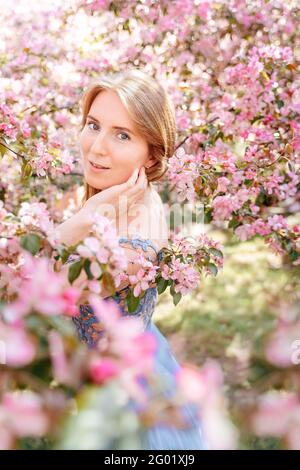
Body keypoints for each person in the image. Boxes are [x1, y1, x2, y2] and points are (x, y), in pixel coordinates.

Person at [55, 69, 207, 450]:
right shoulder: (114, 195)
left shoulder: (135, 242)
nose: (97, 147)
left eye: (122, 135)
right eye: (93, 125)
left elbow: (36, 289)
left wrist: (81, 220)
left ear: (152, 152)